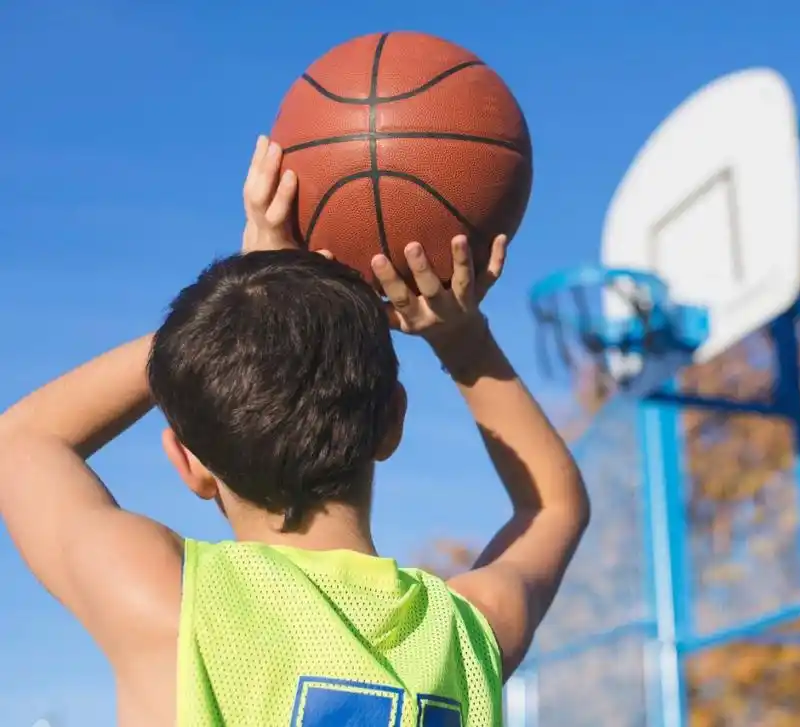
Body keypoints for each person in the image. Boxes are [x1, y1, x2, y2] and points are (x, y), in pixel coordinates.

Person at [0, 137, 590, 726]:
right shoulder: (466, 631)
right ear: (393, 423)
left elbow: (21, 441)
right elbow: (554, 507)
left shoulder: (168, 601)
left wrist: (225, 323)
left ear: (188, 462)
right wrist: (463, 340)